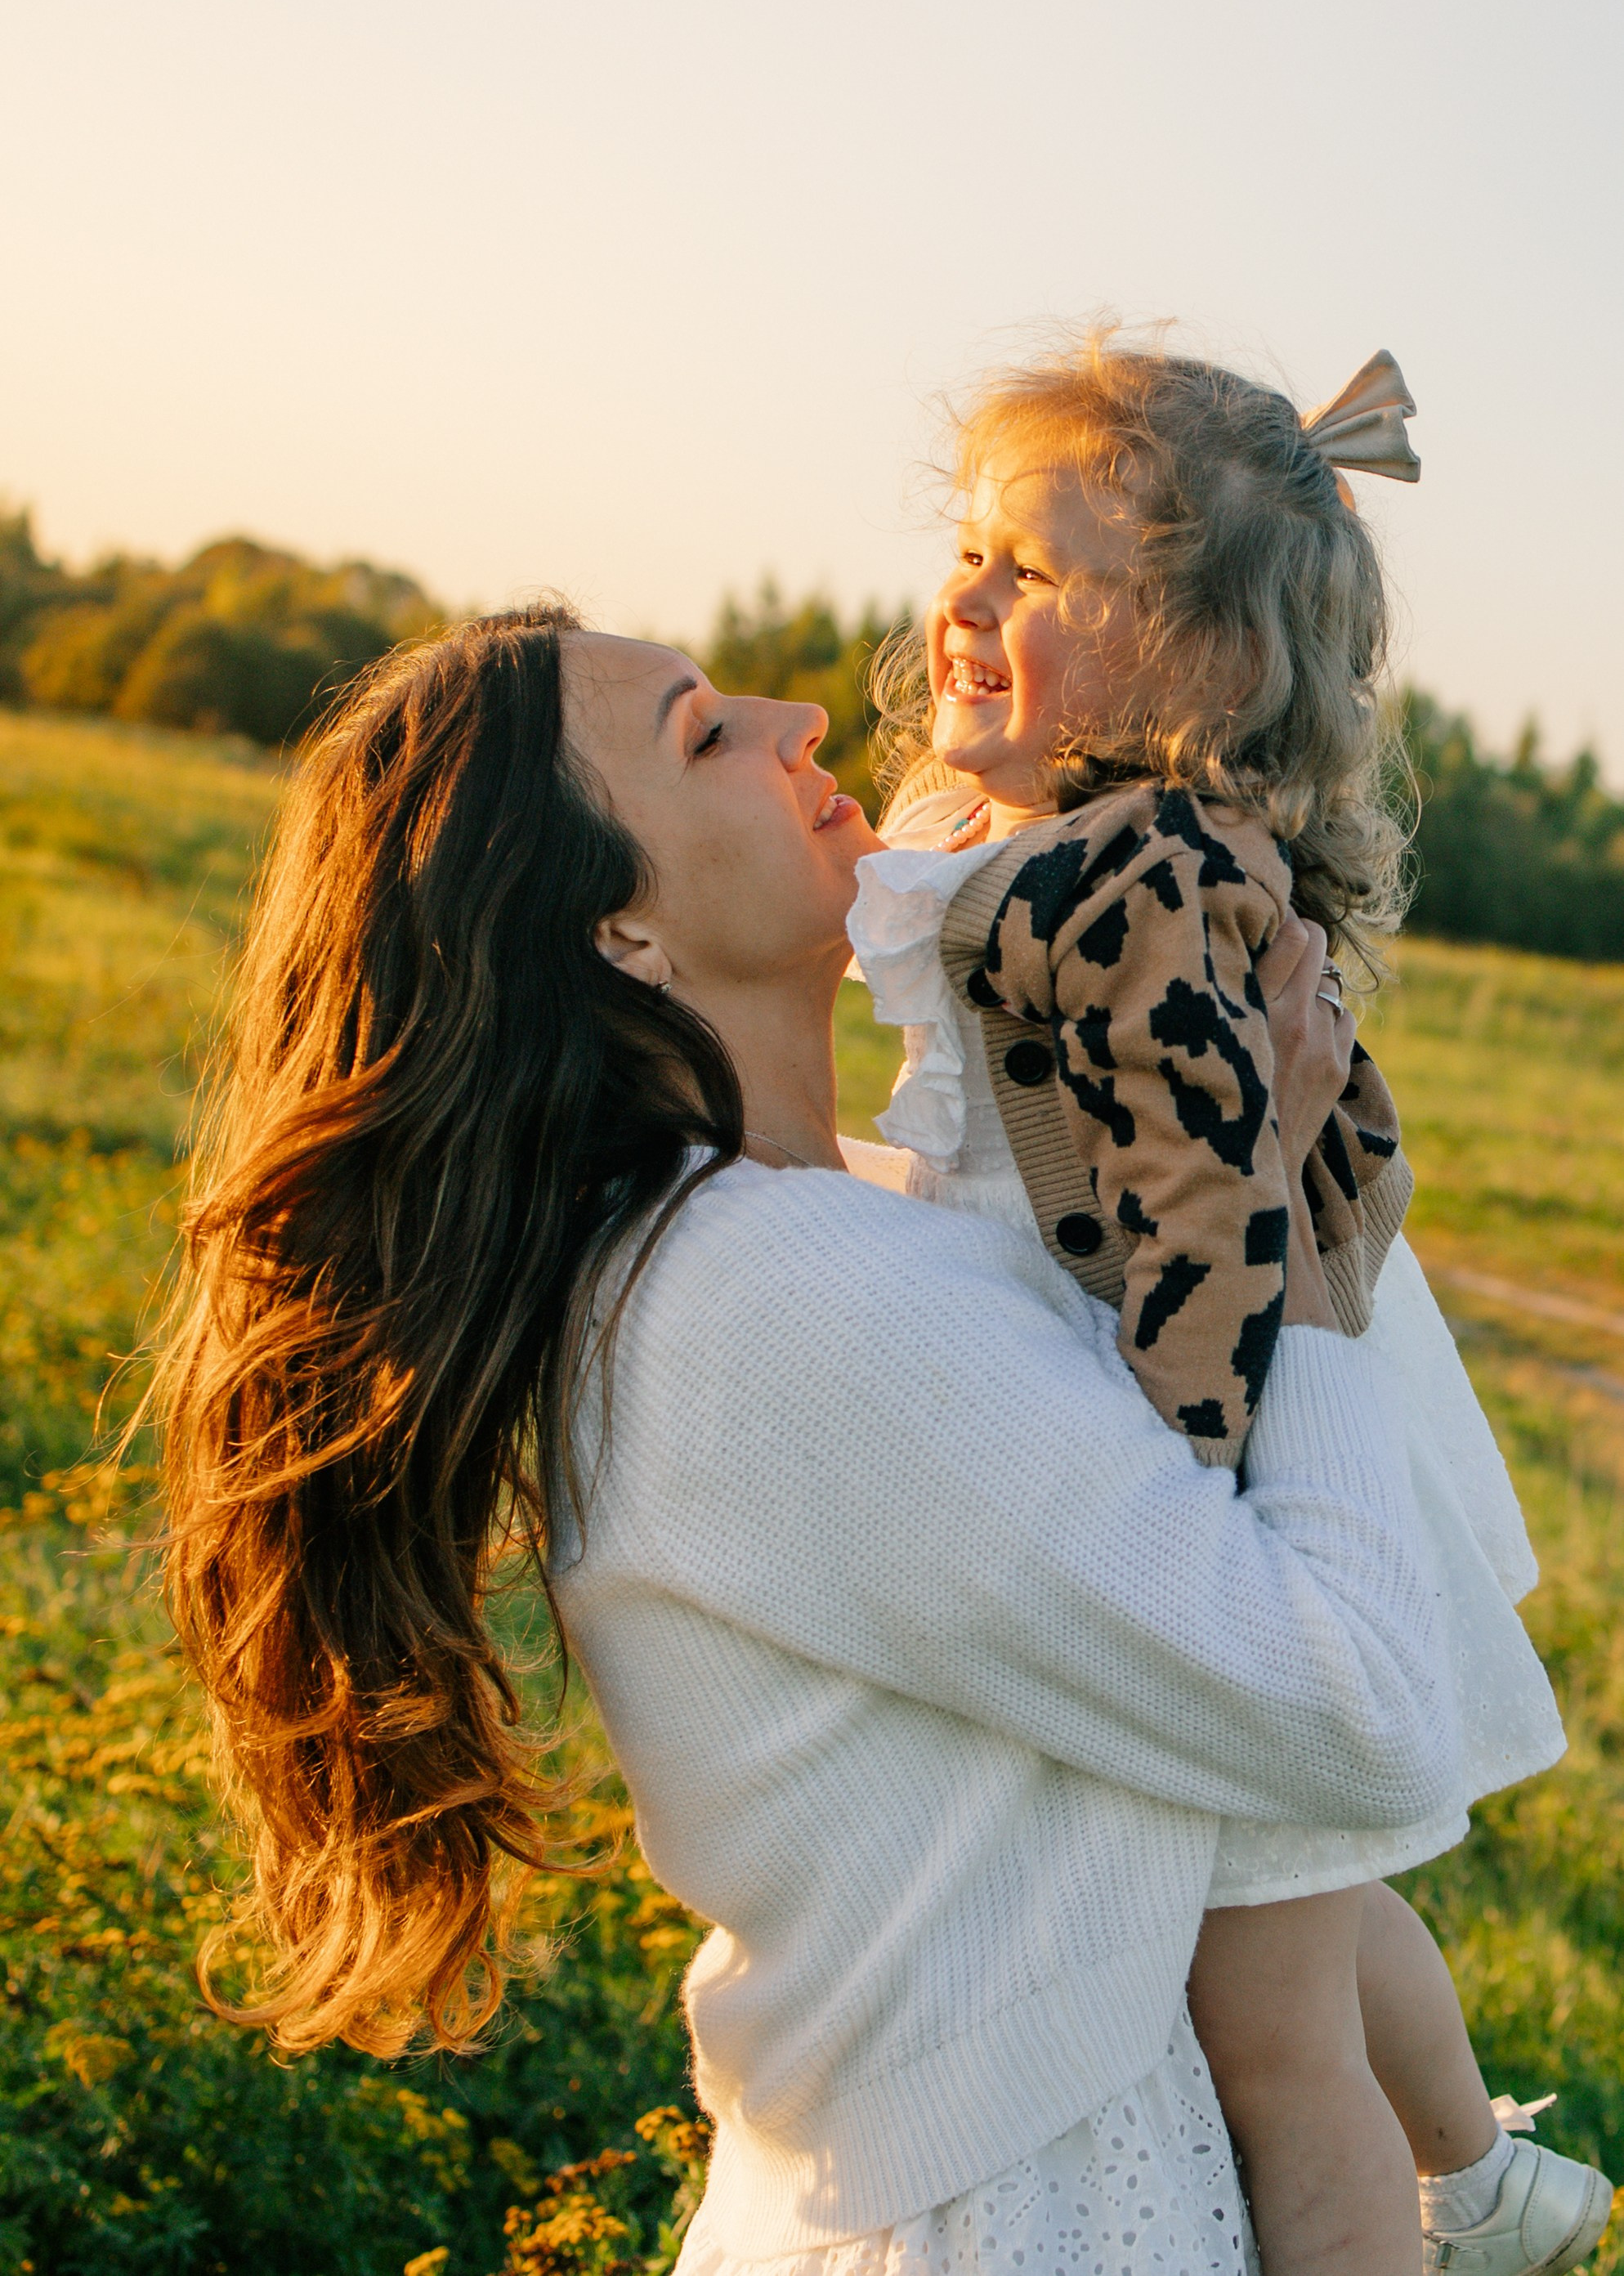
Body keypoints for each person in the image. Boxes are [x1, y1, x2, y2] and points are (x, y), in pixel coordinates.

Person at [159, 603, 1456, 2274]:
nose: (797, 722)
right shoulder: (773, 1306)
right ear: (616, 929)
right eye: (703, 731)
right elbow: (1360, 1719)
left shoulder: (836, 1221)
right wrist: (1303, 1237)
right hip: (1007, 2220)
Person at [843, 334, 1604, 2275]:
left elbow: (1205, 1213)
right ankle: (1494, 2183)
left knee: (1267, 2024)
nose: (967, 602)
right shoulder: (1002, 830)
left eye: (1035, 573)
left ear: (1192, 667)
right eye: (972, 552)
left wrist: (1173, 1499)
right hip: (1182, 1399)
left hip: (1231, 1429)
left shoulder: (1151, 879)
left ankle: (1437, 2199)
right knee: (1298, 1895)